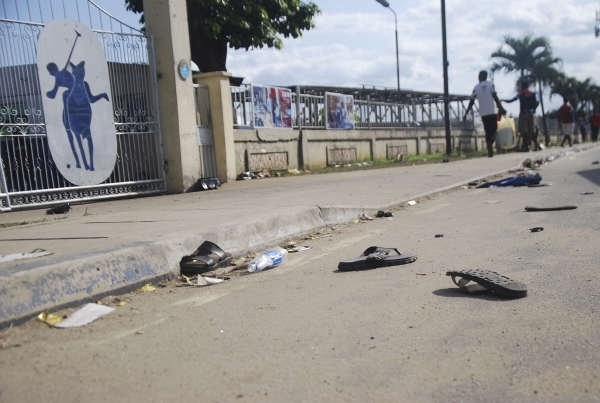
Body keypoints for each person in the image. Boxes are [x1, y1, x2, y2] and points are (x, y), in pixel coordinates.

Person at [463, 70, 506, 157]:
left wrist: (466, 113)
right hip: (492, 111)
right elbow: (495, 96)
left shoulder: (476, 87)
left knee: (487, 130)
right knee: (493, 130)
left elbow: (471, 100)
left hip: (483, 112)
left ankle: (489, 148)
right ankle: (490, 142)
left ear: (480, 76)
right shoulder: (490, 85)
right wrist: (501, 108)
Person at [502, 81, 539, 152]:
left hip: (523, 113)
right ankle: (536, 146)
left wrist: (503, 100)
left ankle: (526, 147)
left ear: (522, 86)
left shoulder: (521, 93)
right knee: (532, 130)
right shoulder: (532, 93)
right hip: (531, 113)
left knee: (523, 130)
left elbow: (511, 100)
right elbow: (537, 102)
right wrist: (533, 109)